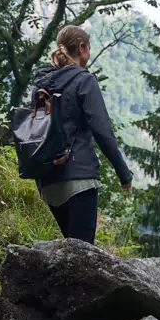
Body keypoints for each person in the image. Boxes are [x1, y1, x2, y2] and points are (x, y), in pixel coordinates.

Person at [30, 25, 132, 243]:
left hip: (48, 179)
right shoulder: (84, 80)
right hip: (79, 176)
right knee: (83, 253)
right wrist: (124, 174)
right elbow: (102, 131)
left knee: (71, 248)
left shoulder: (40, 84)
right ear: (83, 48)